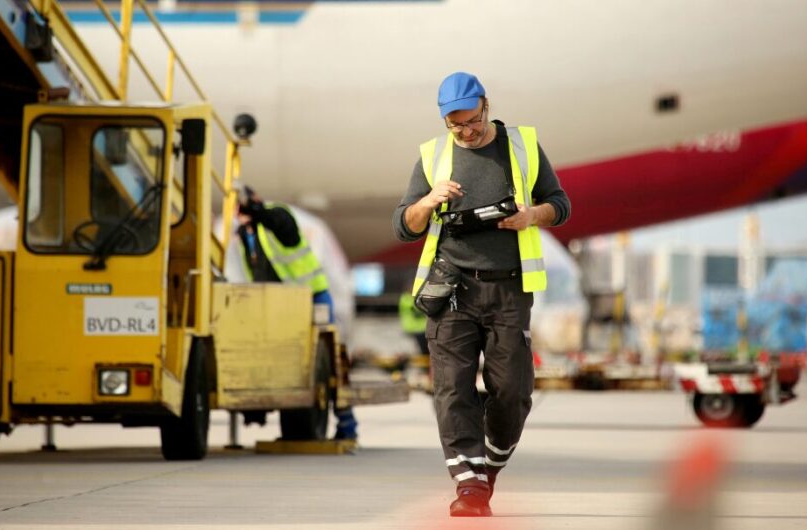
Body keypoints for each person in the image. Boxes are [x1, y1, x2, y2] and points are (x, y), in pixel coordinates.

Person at [392, 72, 571, 517]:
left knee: (512, 391)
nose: (466, 132)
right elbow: (404, 225)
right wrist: (429, 202)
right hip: (452, 288)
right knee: (452, 389)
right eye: (456, 125)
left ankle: (489, 464)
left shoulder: (523, 146)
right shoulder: (433, 157)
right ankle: (467, 483)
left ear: (485, 106)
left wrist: (532, 216)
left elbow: (561, 205)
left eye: (472, 122)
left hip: (509, 289)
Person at [235, 186, 358, 440]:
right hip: (280, 307)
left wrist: (259, 212)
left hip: (312, 297)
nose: (241, 215)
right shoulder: (245, 235)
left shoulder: (277, 219)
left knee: (331, 363)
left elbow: (282, 226)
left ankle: (347, 427)